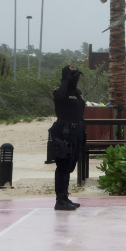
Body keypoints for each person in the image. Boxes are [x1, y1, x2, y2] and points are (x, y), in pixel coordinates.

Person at [48, 64, 85, 211]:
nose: (76, 79)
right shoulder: (60, 91)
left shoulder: (77, 92)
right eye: (73, 76)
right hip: (64, 132)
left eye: (77, 76)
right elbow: (59, 96)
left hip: (77, 132)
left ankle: (65, 197)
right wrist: (65, 81)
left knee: (70, 165)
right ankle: (60, 199)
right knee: (62, 166)